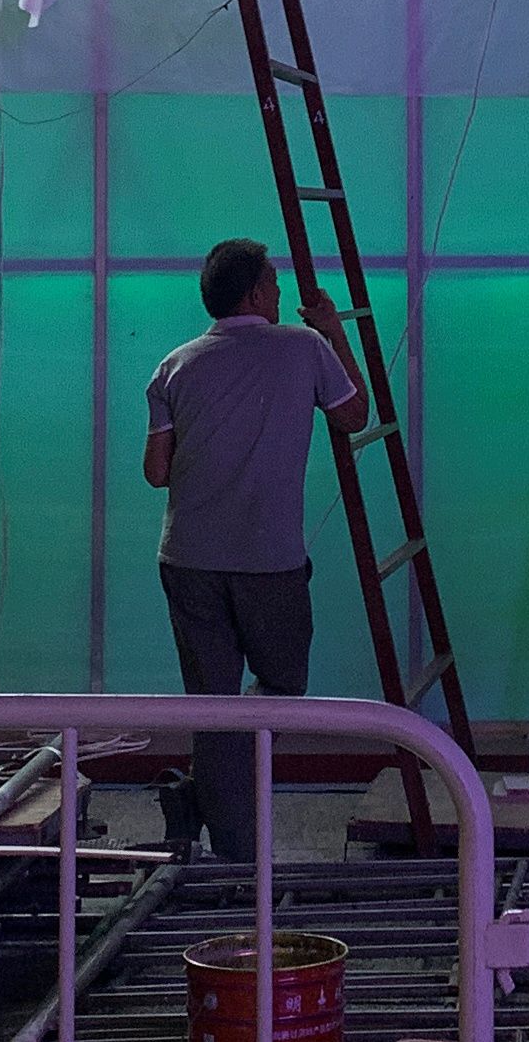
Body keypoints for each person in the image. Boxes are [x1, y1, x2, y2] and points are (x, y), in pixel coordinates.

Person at [143, 236, 369, 859]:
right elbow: (354, 416)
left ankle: (228, 842)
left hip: (186, 558)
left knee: (213, 706)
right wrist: (332, 329)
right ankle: (224, 827)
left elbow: (156, 473)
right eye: (272, 284)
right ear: (251, 293)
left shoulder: (173, 366)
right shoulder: (305, 348)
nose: (278, 294)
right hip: (269, 561)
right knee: (281, 682)